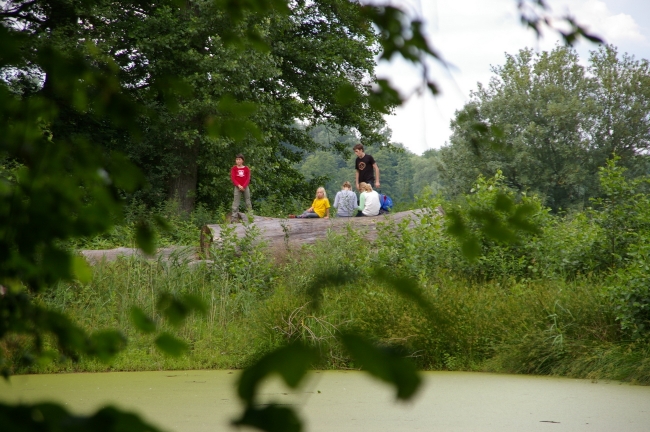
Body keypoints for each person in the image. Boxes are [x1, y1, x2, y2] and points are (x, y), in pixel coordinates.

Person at [230, 153, 252, 220]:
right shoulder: (234, 168)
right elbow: (233, 178)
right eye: (237, 159)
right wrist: (239, 186)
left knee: (248, 201)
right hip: (237, 187)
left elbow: (248, 179)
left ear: (242, 160)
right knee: (236, 202)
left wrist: (244, 186)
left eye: (239, 159)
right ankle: (234, 217)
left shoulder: (246, 169)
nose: (238, 161)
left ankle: (250, 216)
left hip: (245, 187)